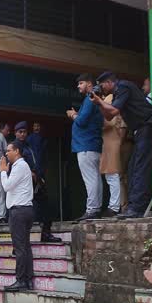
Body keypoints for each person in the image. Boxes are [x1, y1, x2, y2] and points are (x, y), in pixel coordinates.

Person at [91, 72, 152, 219]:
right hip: (141, 130)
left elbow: (114, 110)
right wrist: (99, 102)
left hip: (148, 127)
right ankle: (135, 207)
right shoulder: (117, 93)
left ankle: (137, 209)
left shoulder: (123, 86)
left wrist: (100, 102)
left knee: (140, 169)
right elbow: (109, 116)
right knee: (133, 168)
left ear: (109, 82)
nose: (101, 88)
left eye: (101, 85)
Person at [14, 122, 61, 244]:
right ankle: (17, 244)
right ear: (16, 133)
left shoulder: (29, 145)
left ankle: (46, 233)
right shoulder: (14, 147)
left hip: (36, 181)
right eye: (20, 132)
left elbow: (36, 162)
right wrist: (29, 172)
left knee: (45, 206)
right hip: (23, 184)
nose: (22, 134)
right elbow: (15, 165)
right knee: (23, 212)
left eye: (24, 132)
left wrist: (39, 176)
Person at [67, 73, 104, 221]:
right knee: (95, 178)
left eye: (81, 83)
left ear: (89, 84)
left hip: (86, 146)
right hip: (91, 145)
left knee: (91, 179)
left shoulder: (90, 98)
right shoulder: (93, 98)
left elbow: (81, 122)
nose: (78, 86)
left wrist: (73, 115)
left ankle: (92, 209)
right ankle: (96, 208)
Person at [0, 142, 34, 292]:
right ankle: (27, 279)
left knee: (20, 248)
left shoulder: (20, 166)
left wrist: (2, 171)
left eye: (9, 150)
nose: (7, 154)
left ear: (17, 151)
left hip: (19, 211)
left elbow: (7, 186)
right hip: (25, 209)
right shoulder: (21, 166)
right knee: (25, 246)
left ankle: (21, 280)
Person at [100, 95, 128, 217]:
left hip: (114, 142)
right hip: (109, 142)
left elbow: (121, 128)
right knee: (111, 175)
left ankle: (115, 206)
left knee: (113, 175)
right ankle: (117, 206)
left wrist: (119, 144)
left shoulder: (112, 102)